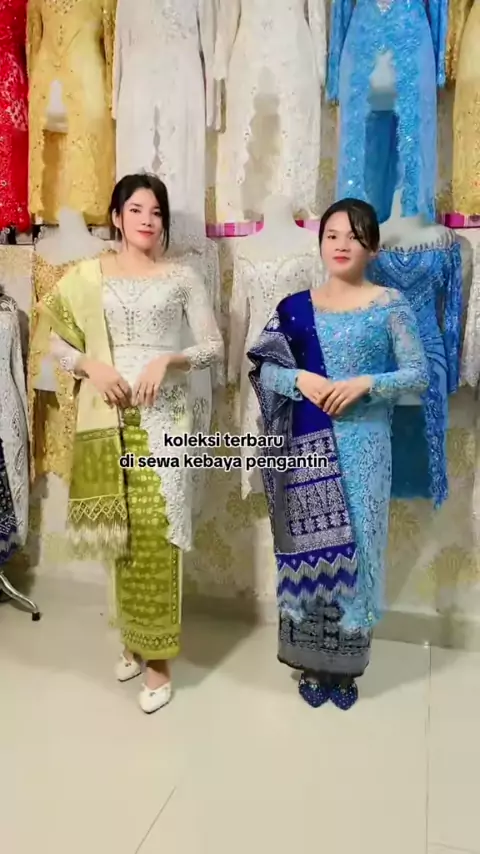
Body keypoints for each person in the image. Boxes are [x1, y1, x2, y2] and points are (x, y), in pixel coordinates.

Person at [39, 173, 224, 714]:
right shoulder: (88, 275)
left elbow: (213, 346)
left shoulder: (182, 277)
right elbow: (55, 341)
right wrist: (91, 365)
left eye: (156, 211)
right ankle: (131, 639)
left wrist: (169, 360)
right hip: (108, 418)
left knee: (156, 533)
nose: (147, 219)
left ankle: (159, 659)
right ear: (117, 217)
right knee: (118, 534)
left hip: (164, 420)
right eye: (136, 209)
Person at [248, 198, 429, 711]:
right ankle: (310, 660)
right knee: (309, 549)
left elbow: (418, 374)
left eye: (354, 235)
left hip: (365, 446)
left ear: (372, 247)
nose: (342, 244)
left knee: (359, 547)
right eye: (332, 235)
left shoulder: (390, 303)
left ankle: (345, 667)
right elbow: (263, 370)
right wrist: (301, 379)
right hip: (305, 449)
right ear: (320, 243)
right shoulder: (293, 307)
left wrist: (366, 383)